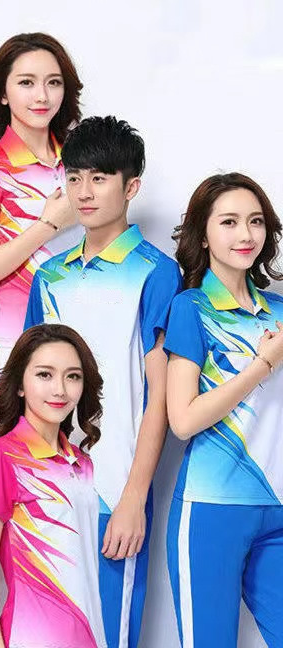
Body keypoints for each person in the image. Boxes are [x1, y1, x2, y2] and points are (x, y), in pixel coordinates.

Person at [25, 116, 182, 648]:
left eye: (99, 178)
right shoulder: (50, 277)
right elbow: (30, 389)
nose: (84, 192)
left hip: (116, 490)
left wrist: (135, 497)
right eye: (74, 177)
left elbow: (160, 397)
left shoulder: (157, 273)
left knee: (109, 636)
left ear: (130, 187)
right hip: (46, 490)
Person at [164, 173, 283, 647]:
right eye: (229, 222)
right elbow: (183, 419)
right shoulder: (191, 308)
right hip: (212, 509)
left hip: (277, 507)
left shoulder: (280, 312)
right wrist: (262, 365)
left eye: (255, 221)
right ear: (203, 233)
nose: (246, 234)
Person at [0, 32, 83, 441]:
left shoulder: (82, 164)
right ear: (2, 93)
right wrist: (48, 225)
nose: (42, 95)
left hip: (83, 338)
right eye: (26, 82)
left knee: (79, 466)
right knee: (8, 465)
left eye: (53, 82)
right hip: (12, 341)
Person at [0, 324, 106, 648]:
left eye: (73, 376)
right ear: (19, 385)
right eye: (45, 374)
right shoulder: (3, 457)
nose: (60, 389)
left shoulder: (82, 464)